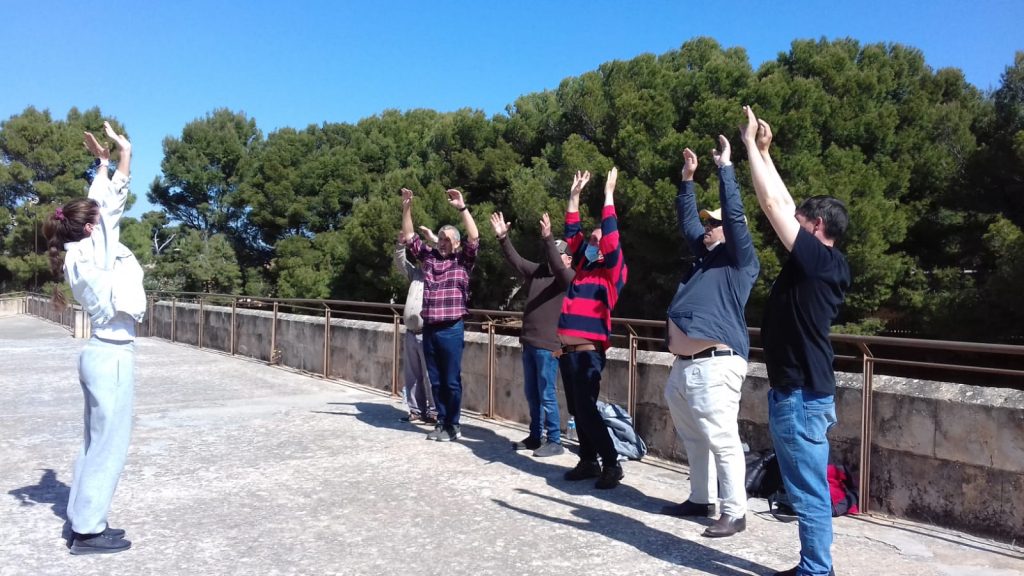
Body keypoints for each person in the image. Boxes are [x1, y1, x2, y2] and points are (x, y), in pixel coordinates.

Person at [741, 105, 850, 576]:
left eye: (804, 223)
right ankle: (813, 566)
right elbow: (785, 204)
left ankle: (815, 571)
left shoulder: (819, 262)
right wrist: (767, 154)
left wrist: (747, 146)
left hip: (801, 395)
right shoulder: (822, 260)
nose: (794, 225)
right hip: (801, 392)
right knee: (806, 486)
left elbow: (773, 207)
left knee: (807, 491)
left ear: (819, 229)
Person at [42, 121, 146, 555]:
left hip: (97, 353)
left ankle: (80, 519)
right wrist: (124, 156)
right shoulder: (93, 250)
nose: (105, 223)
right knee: (108, 444)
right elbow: (108, 204)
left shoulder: (77, 255)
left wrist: (100, 163)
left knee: (93, 441)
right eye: (98, 223)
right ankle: (88, 531)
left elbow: (96, 205)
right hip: (112, 357)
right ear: (89, 230)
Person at [660, 138, 760, 538]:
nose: (707, 227)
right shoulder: (704, 258)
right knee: (693, 437)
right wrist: (687, 180)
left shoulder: (740, 259)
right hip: (685, 366)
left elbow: (735, 218)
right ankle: (701, 498)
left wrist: (725, 170)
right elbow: (688, 224)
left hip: (716, 363)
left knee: (721, 439)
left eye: (713, 223)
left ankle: (734, 512)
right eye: (708, 222)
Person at [557, 168, 628, 489]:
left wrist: (608, 195)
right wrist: (574, 196)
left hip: (588, 353)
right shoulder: (584, 267)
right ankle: (587, 460)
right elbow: (572, 230)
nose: (591, 242)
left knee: (586, 409)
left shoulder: (612, 272)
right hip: (568, 351)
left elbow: (611, 236)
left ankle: (611, 463)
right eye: (590, 239)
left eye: (596, 240)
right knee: (576, 409)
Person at [489, 210, 574, 457]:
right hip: (529, 343)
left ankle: (555, 440)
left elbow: (558, 267)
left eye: (559, 255)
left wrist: (548, 239)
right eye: (552, 254)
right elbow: (515, 260)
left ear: (568, 260)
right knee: (532, 393)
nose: (554, 259)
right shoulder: (539, 272)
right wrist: (503, 238)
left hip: (549, 346)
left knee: (547, 394)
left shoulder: (567, 278)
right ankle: (536, 436)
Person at [400, 186, 480, 442]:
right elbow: (411, 236)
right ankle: (441, 422)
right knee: (435, 380)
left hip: (451, 328)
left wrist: (463, 208)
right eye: (441, 239)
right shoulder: (430, 259)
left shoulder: (463, 262)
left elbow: (474, 237)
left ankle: (453, 424)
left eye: (447, 240)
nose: (443, 243)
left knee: (451, 380)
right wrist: (407, 206)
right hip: (430, 327)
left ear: (456, 243)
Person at [394, 231, 437, 425]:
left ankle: (434, 411)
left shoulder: (438, 274)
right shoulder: (416, 274)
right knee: (412, 375)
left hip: (427, 332)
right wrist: (400, 245)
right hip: (411, 332)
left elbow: (445, 254)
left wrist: (433, 240)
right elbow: (400, 263)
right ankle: (416, 410)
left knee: (429, 375)